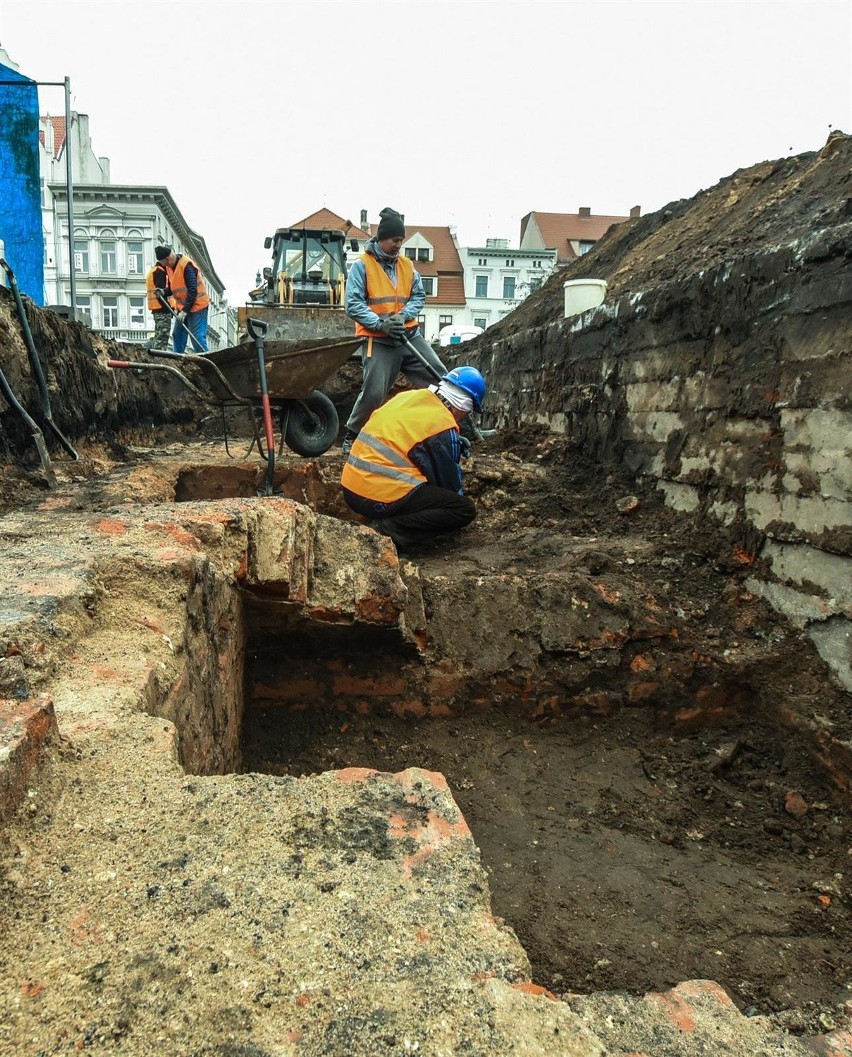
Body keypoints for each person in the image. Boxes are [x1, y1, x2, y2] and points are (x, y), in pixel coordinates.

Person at [341, 366, 486, 550]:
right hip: (375, 498)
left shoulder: (409, 397)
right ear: (464, 405)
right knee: (462, 509)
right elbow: (448, 485)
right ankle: (387, 532)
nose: (464, 418)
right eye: (468, 412)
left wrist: (452, 441)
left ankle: (383, 518)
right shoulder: (442, 425)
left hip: (351, 489)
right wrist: (451, 451)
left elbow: (407, 435)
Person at [341, 206, 447, 456]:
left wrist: (403, 316)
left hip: (409, 335)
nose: (399, 245)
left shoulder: (408, 266)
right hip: (379, 340)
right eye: (395, 240)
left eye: (401, 240)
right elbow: (353, 304)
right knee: (374, 392)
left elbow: (418, 296)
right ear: (381, 238)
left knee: (440, 379)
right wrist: (381, 324)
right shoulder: (362, 266)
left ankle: (455, 429)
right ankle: (353, 436)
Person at [159, 245, 210, 353]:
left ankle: (207, 362)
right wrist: (164, 291)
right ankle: (177, 360)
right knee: (178, 334)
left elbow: (192, 290)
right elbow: (174, 287)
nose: (163, 265)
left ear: (167, 259)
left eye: (163, 262)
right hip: (184, 308)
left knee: (197, 336)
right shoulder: (169, 267)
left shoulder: (186, 265)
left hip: (198, 306)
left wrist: (184, 311)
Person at [145, 251, 174, 350]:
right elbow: (160, 294)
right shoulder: (160, 272)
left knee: (158, 336)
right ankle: (160, 361)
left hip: (156, 309)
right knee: (162, 339)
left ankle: (156, 359)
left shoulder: (153, 270)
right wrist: (169, 309)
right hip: (163, 310)